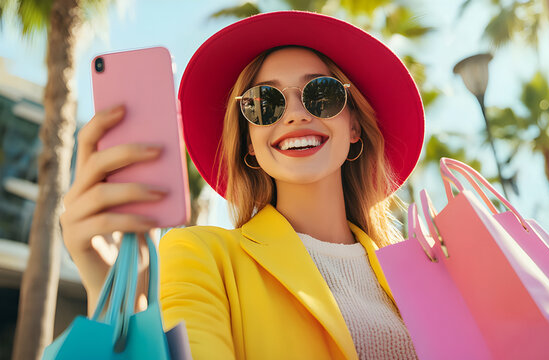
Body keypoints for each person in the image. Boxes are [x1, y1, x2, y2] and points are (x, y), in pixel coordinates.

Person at [60, 11, 425, 360]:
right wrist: (114, 299)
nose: (296, 114)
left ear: (355, 126)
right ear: (250, 141)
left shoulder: (422, 275)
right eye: (265, 103)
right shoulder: (201, 255)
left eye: (322, 93)